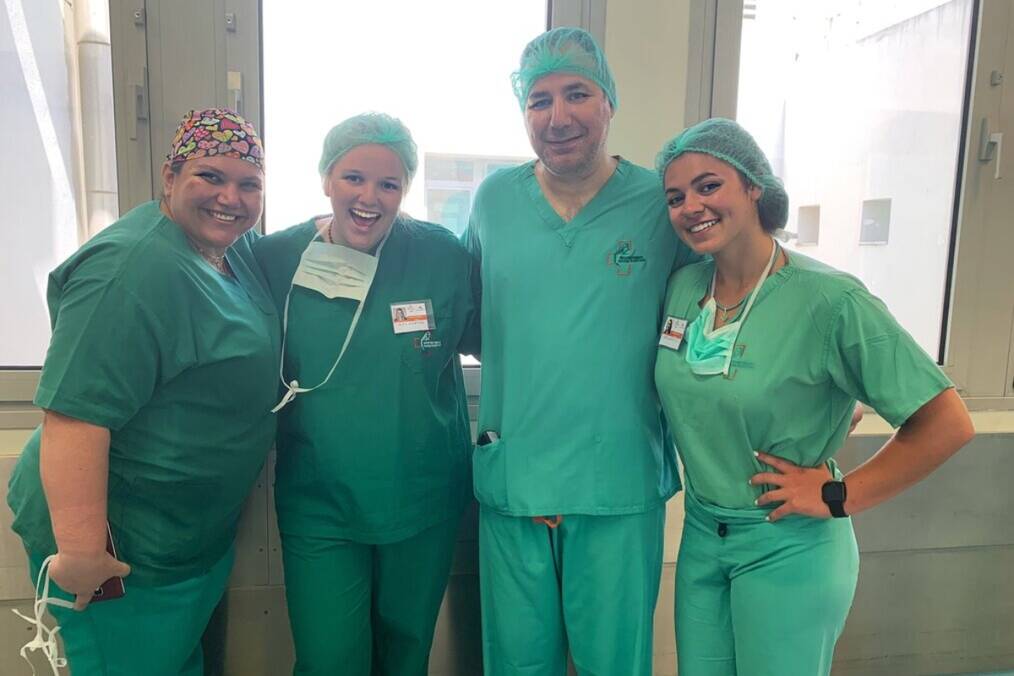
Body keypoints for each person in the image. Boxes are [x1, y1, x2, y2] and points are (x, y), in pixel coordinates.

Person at [653, 117, 975, 675]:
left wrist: (837, 495)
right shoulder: (684, 289)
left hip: (789, 542)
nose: (691, 206)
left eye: (709, 185)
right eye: (676, 196)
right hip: (704, 535)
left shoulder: (830, 300)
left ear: (755, 186)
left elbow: (947, 422)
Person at [6, 108, 279, 675]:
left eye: (248, 183)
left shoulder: (229, 252)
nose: (230, 196)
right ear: (170, 176)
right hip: (120, 550)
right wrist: (83, 555)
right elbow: (75, 419)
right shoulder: (128, 271)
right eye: (210, 176)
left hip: (183, 536)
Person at [462, 28, 698, 675]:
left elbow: (731, 283)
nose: (558, 116)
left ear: (609, 103)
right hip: (517, 478)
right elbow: (471, 319)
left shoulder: (657, 203)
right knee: (516, 664)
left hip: (615, 483)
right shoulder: (494, 202)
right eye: (539, 100)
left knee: (614, 665)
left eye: (576, 94)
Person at [252, 113, 478, 676]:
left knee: (406, 653)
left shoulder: (442, 257)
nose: (368, 198)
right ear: (326, 177)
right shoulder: (275, 259)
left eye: (389, 184)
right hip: (321, 502)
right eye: (353, 178)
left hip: (422, 496)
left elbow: (497, 343)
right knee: (330, 660)